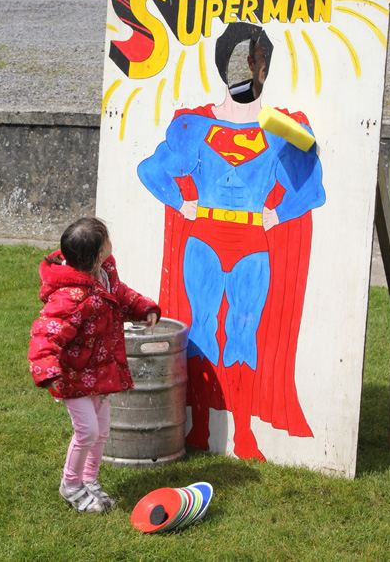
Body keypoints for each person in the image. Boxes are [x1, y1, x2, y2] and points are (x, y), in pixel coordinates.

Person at [138, 23, 325, 461]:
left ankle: (244, 436)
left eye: (254, 61)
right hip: (204, 241)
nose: (247, 70)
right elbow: (152, 171)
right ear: (225, 65)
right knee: (203, 331)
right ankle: (200, 431)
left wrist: (279, 212)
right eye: (241, 60)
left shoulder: (282, 129)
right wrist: (181, 200)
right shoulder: (194, 126)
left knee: (244, 335)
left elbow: (312, 187)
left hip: (251, 245)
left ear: (264, 67)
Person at [28, 217, 161, 512]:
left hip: (99, 369)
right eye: (107, 241)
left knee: (101, 430)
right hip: (73, 375)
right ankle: (71, 485)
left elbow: (121, 295)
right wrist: (47, 369)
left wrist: (143, 307)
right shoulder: (69, 296)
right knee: (87, 430)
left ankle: (90, 481)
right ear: (99, 253)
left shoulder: (105, 274)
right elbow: (46, 332)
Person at [229, 38, 266, 104]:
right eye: (265, 57)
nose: (272, 65)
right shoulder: (230, 99)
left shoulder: (290, 99)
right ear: (251, 63)